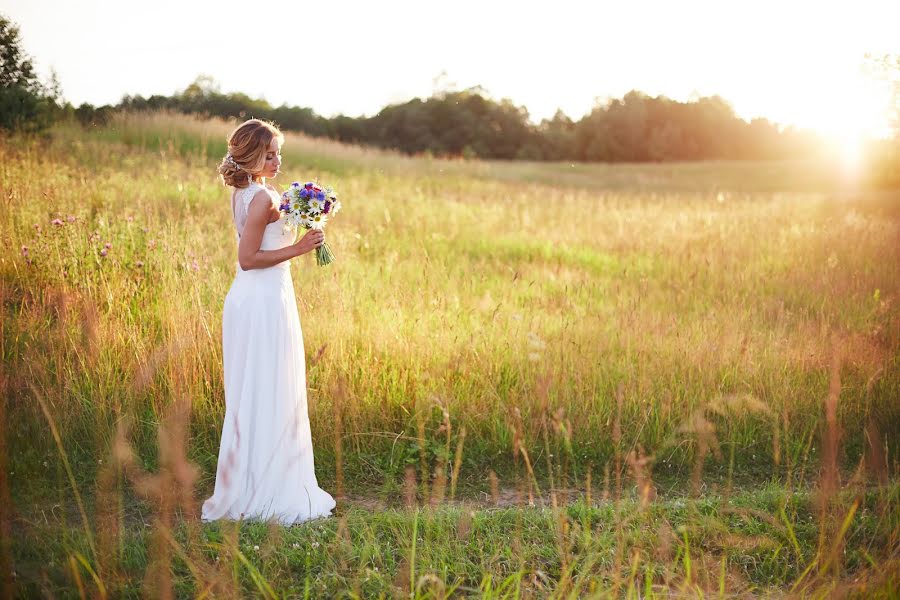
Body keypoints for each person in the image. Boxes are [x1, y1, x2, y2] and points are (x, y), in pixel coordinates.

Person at [201, 119, 336, 524]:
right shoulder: (259, 197)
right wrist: (299, 248)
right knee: (267, 388)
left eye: (278, 153)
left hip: (256, 299)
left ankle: (258, 483)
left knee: (258, 391)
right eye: (270, 154)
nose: (278, 160)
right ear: (251, 155)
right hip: (261, 301)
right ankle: (268, 491)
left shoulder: (249, 191)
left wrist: (307, 223)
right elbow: (248, 259)